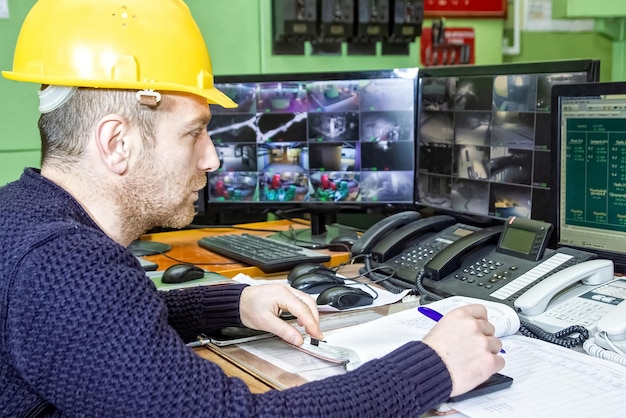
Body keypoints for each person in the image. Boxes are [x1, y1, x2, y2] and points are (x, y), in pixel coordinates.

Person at [0, 0, 504, 416]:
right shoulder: (62, 266)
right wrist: (433, 367)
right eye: (194, 132)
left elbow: (102, 336)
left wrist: (232, 304)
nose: (213, 158)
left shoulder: (22, 215)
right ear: (116, 142)